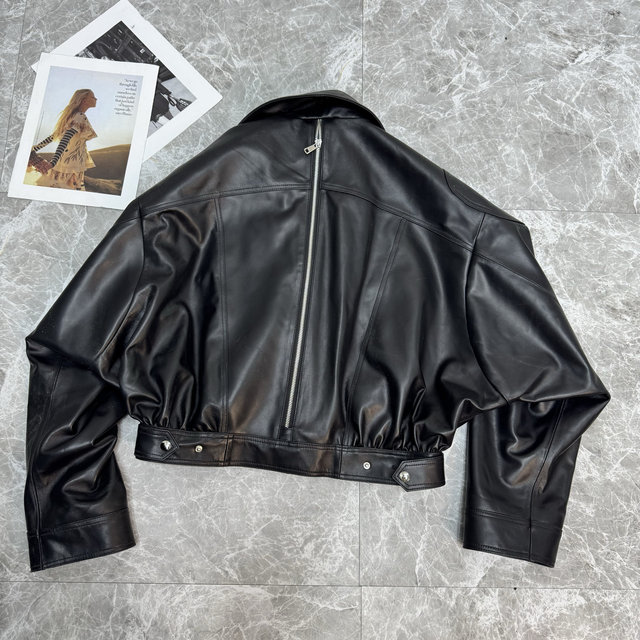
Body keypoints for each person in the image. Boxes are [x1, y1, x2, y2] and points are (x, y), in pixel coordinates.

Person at [28, 89, 98, 191]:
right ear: (84, 100)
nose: (96, 99)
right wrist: (52, 162)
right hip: (71, 168)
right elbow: (65, 138)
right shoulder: (80, 116)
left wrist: (34, 149)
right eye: (93, 97)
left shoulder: (72, 116)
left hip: (64, 165)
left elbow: (53, 137)